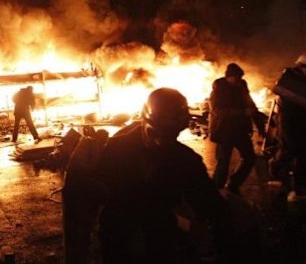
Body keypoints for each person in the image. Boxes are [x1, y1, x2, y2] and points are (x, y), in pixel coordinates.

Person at [62, 88, 232, 263]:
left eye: (170, 135)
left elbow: (208, 202)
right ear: (144, 119)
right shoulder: (116, 149)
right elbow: (94, 196)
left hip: (160, 235)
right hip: (120, 234)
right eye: (155, 132)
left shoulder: (185, 159)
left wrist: (222, 224)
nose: (160, 142)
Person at [209, 63, 264, 195]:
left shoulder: (242, 86)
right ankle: (216, 192)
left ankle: (233, 184)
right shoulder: (219, 89)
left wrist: (259, 125)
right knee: (223, 164)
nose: (238, 81)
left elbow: (250, 104)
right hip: (224, 131)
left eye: (240, 78)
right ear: (229, 77)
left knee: (250, 158)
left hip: (240, 130)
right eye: (236, 78)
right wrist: (243, 112)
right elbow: (218, 111)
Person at [273, 52, 306, 196]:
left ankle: (299, 188)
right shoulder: (289, 79)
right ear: (299, 66)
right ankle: (277, 172)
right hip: (290, 123)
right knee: (289, 150)